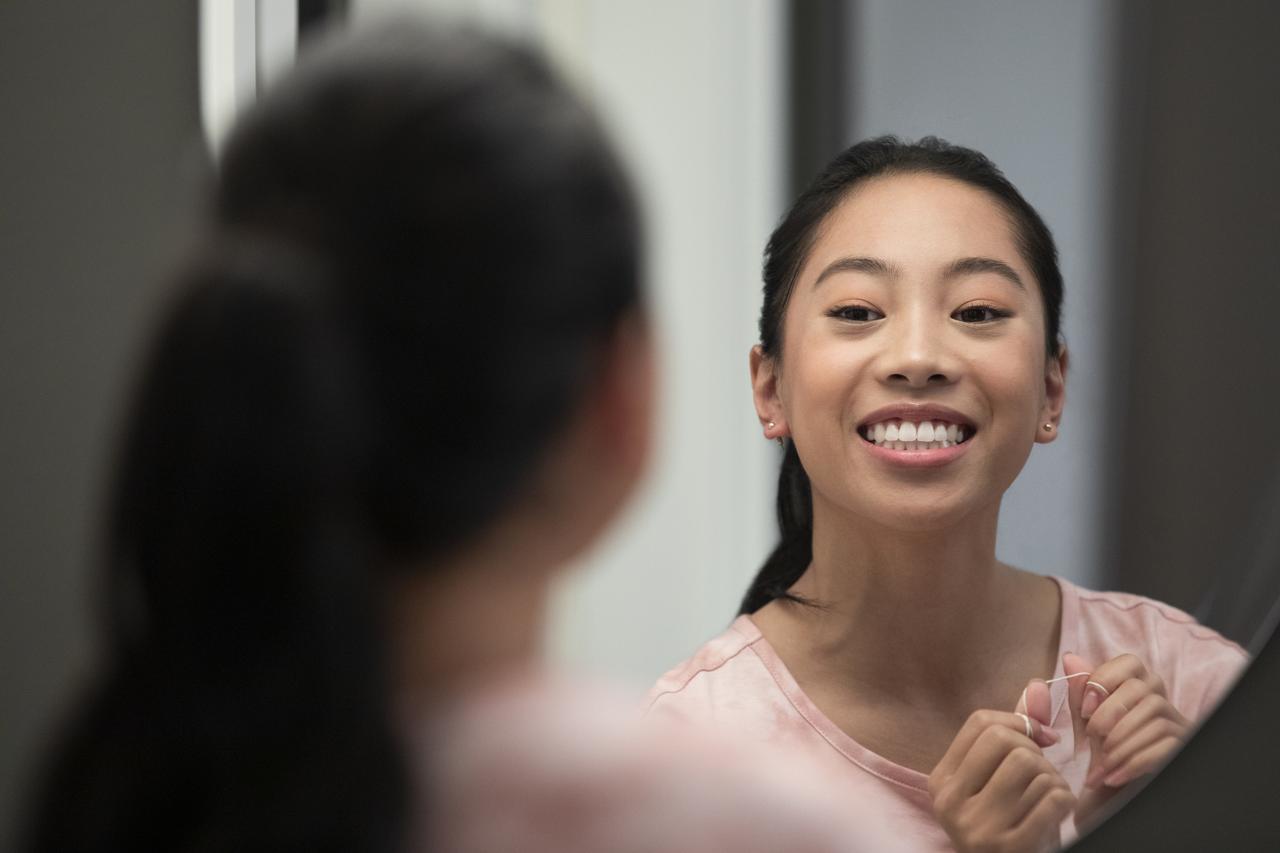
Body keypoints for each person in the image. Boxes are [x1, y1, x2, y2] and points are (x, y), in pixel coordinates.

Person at [19, 20, 889, 853]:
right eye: (856, 310)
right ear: (621, 402)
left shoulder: (112, 790)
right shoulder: (759, 831)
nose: (914, 357)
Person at [646, 137, 1250, 853]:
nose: (918, 358)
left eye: (977, 311)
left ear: (1051, 389)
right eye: (858, 311)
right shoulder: (684, 765)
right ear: (770, 388)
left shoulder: (1198, 690)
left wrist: (1180, 819)